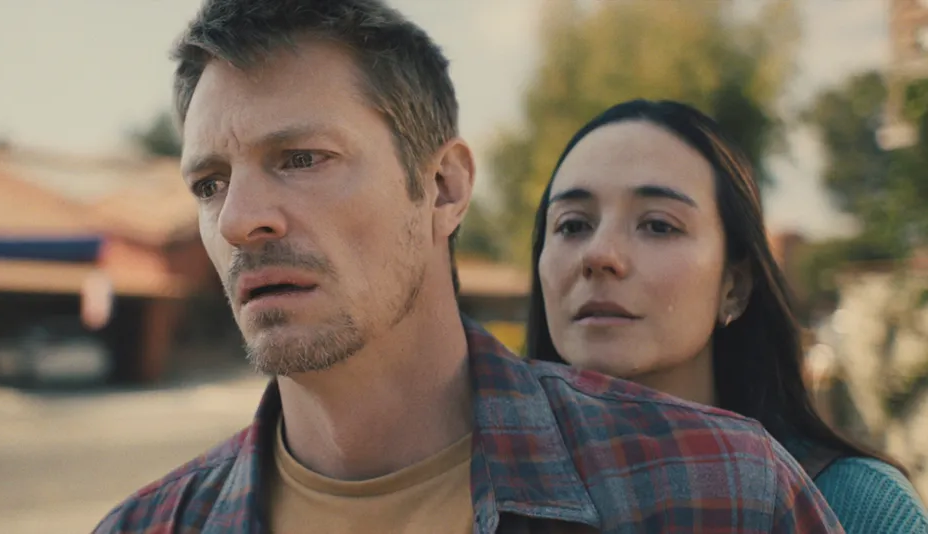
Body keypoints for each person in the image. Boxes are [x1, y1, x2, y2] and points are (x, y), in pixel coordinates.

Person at [93, 2, 845, 532]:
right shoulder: (147, 526)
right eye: (208, 184)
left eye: (301, 159)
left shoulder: (719, 492)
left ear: (444, 188)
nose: (238, 220)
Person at [525, 98, 928, 534]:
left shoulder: (852, 506)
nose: (599, 255)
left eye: (658, 225)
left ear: (734, 286)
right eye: (572, 225)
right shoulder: (486, 495)